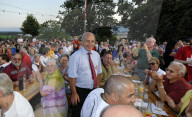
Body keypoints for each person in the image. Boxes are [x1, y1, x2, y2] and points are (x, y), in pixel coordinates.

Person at [68, 32, 102, 117]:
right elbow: (72, 76)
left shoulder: (96, 55)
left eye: (92, 41)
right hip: (80, 92)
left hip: (93, 90)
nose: (90, 44)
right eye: (87, 41)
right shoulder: (75, 56)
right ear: (81, 42)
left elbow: (98, 72)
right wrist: (74, 93)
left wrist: (97, 84)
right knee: (78, 113)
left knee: (91, 113)